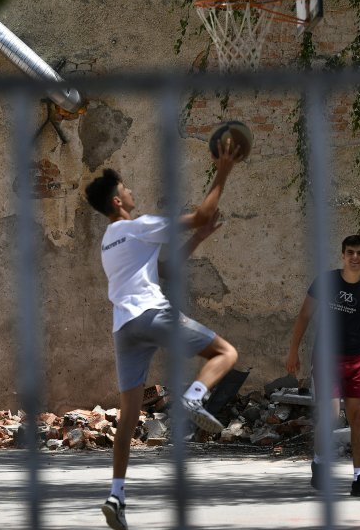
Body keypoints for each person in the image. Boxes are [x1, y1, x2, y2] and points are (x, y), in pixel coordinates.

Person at [85, 141, 240, 530]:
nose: (131, 191)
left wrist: (198, 240)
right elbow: (203, 211)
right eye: (126, 188)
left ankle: (115, 495)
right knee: (225, 354)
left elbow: (164, 270)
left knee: (127, 418)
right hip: (152, 314)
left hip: (124, 328)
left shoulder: (109, 242)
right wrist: (223, 168)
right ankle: (193, 399)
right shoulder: (139, 226)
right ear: (118, 202)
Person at [285, 235, 360, 497]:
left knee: (358, 417)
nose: (355, 257)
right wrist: (293, 351)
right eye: (350, 252)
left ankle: (359, 478)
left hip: (356, 360)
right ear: (343, 255)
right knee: (331, 415)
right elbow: (304, 315)